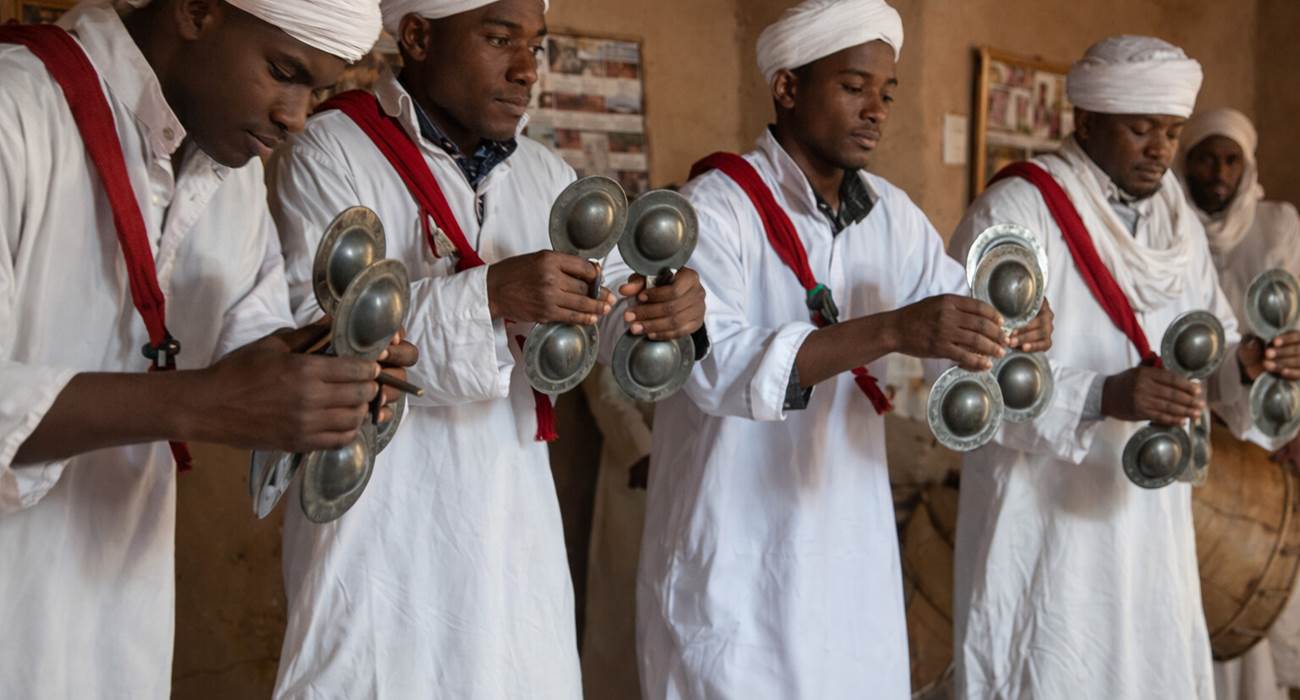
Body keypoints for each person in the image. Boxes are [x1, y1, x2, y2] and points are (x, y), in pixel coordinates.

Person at [266, 0, 707, 696]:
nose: (526, 69)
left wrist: (670, 306)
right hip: (382, 541)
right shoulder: (330, 152)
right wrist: (493, 295)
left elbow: (617, 309)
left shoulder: (547, 176)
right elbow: (317, 343)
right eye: (500, 39)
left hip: (514, 536)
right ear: (416, 37)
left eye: (537, 45)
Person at [635, 1, 1051, 697]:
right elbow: (719, 369)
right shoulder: (716, 208)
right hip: (734, 549)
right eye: (853, 87)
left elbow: (957, 325)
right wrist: (893, 329)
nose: (876, 111)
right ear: (788, 88)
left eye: (886, 93)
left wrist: (1013, 329)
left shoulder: (891, 213)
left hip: (847, 549)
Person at [0, 0, 415, 698]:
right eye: (285, 73)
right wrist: (202, 402)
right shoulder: (16, 111)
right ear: (195, 11)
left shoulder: (230, 169)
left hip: (115, 602)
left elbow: (249, 339)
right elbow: (218, 392)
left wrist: (331, 370)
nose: (295, 116)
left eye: (315, 92)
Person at [949, 36, 1300, 699]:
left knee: (1148, 666)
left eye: (1170, 132)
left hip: (1149, 517)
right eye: (1141, 130)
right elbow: (974, 376)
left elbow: (1212, 338)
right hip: (1042, 521)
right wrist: (1104, 395)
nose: (1161, 149)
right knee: (1050, 666)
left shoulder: (1177, 220)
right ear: (1085, 120)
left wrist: (1250, 362)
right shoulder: (1018, 212)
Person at [1180, 107, 1300, 700]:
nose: (1218, 171)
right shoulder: (1169, 223)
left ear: (1248, 165)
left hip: (1266, 428)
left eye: (1231, 159)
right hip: (1195, 422)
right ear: (1188, 161)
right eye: (1206, 156)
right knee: (1202, 580)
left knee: (1255, 575)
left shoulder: (1278, 226)